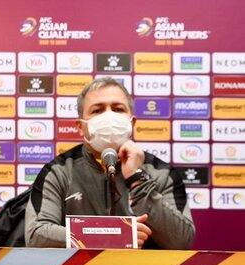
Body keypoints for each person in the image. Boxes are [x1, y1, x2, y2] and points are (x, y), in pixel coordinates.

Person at [25, 77, 195, 249]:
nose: (109, 116)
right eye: (97, 110)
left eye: (118, 109)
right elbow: (36, 235)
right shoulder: (58, 171)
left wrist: (137, 178)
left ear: (132, 122)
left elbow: (182, 241)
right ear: (80, 126)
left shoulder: (162, 173)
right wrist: (115, 234)